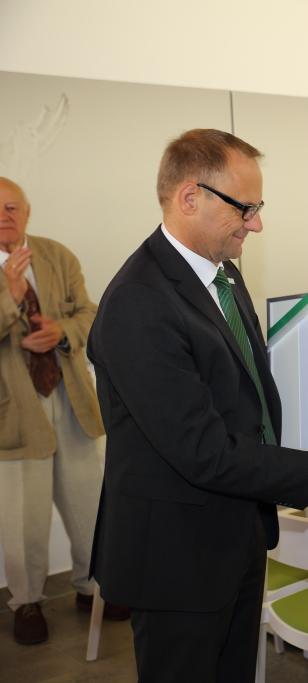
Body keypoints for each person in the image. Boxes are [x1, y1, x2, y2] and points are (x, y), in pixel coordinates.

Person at [87, 129, 308, 683]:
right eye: (245, 208)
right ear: (190, 198)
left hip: (236, 533)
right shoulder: (139, 303)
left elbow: (239, 372)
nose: (256, 225)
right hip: (177, 558)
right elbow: (202, 452)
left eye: (258, 208)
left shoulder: (221, 273)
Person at [0, 177, 127, 646]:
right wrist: (12, 295)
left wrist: (61, 331)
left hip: (71, 398)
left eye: (11, 207)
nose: (4, 217)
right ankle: (27, 602)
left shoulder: (56, 255)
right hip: (14, 409)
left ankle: (93, 588)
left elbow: (90, 314)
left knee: (88, 504)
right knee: (24, 518)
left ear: (27, 211)